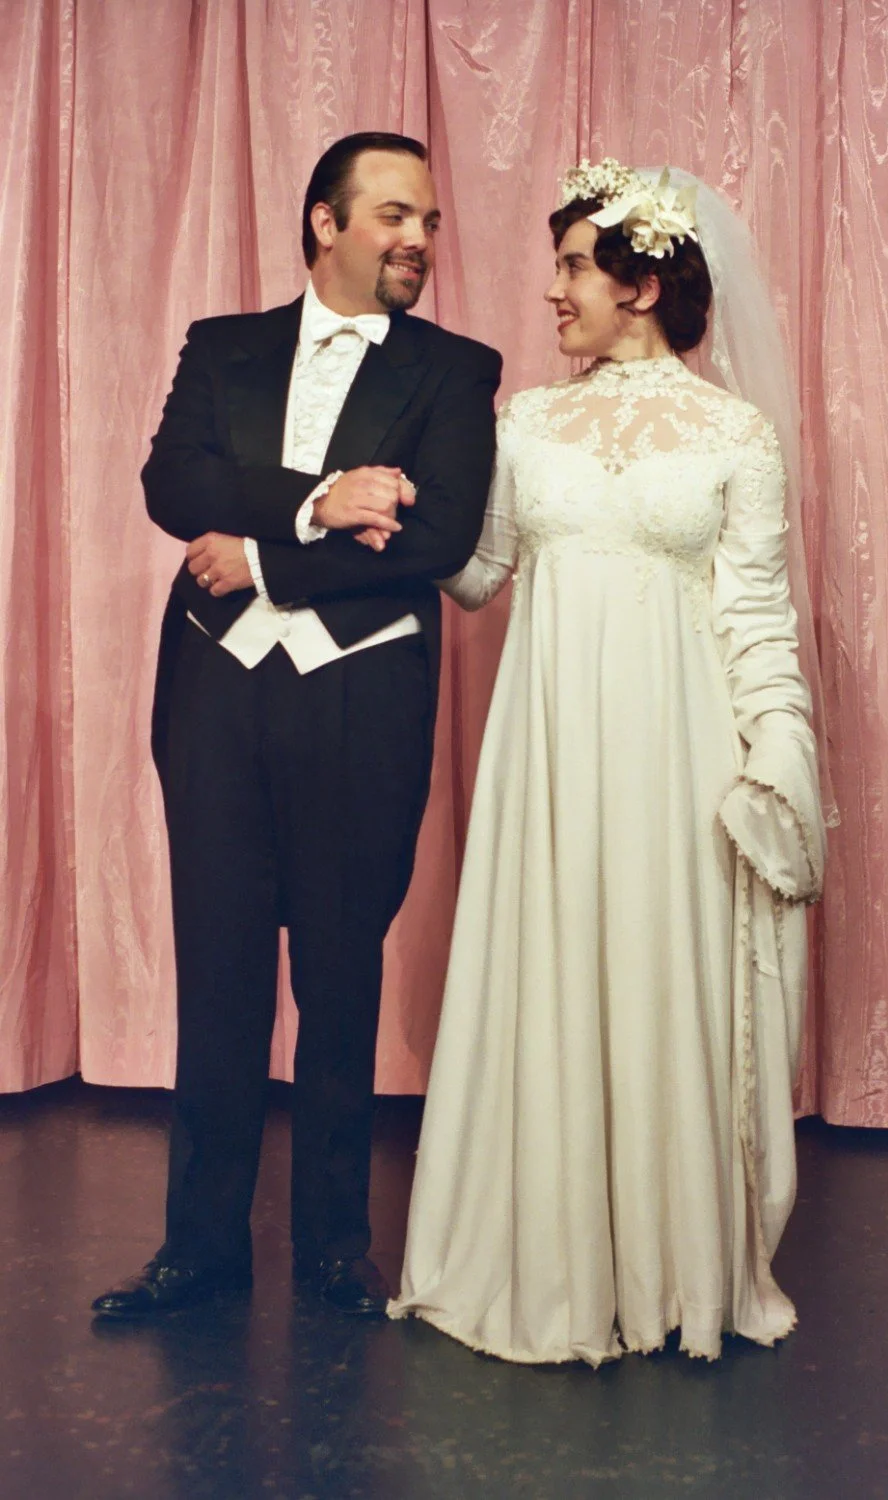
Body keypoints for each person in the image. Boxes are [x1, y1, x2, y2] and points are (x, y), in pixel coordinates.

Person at [387, 161, 829, 1365]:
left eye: (574, 266)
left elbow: (756, 619)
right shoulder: (526, 422)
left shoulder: (734, 435)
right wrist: (382, 500)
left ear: (641, 286)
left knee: (654, 974)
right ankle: (545, 1260)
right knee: (555, 963)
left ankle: (666, 1266)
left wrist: (775, 753)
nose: (553, 290)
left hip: (675, 758)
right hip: (549, 755)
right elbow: (477, 571)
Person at [92, 133, 502, 1321]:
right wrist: (322, 502)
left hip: (360, 702)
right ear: (326, 221)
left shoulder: (454, 370)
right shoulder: (222, 346)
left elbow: (437, 540)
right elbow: (174, 486)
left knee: (339, 976)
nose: (419, 239)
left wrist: (267, 557)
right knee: (218, 975)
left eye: (428, 220)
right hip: (215, 699)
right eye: (394, 215)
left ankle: (333, 1251)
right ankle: (199, 1250)